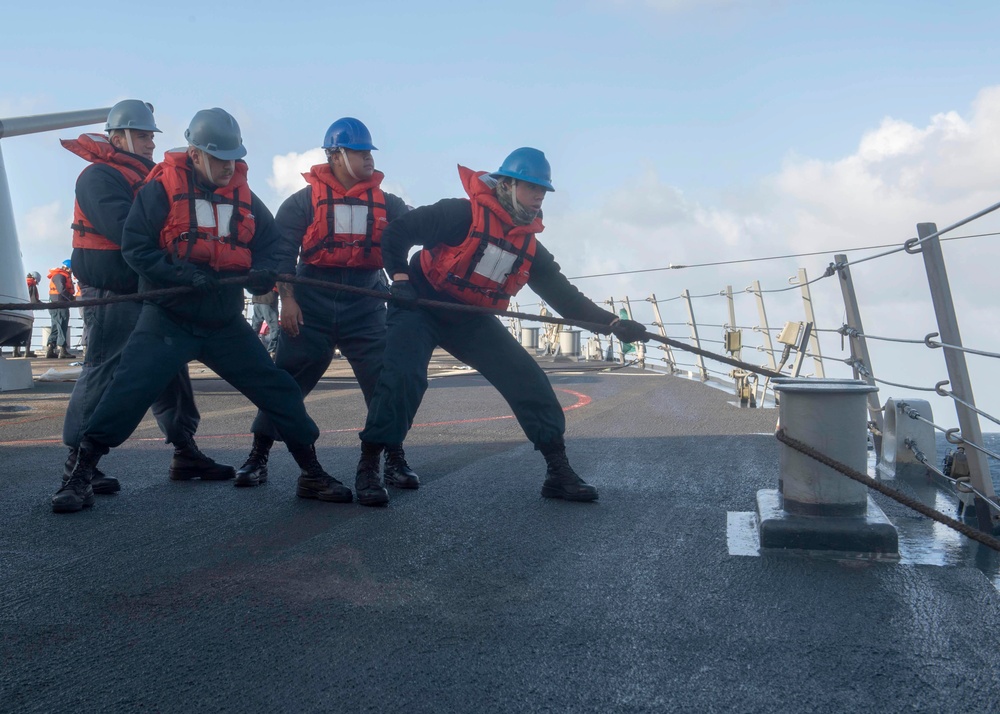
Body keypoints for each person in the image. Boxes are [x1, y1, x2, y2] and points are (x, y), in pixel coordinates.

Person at [52, 107, 351, 514]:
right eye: (220, 159)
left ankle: (311, 472)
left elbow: (269, 240)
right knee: (127, 391)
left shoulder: (242, 193)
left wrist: (263, 275)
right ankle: (81, 474)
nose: (229, 168)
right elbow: (135, 247)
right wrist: (178, 275)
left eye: (233, 158)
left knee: (278, 389)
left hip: (222, 321)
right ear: (195, 155)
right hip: (168, 317)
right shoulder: (160, 191)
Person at [354, 148, 648, 504]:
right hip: (419, 304)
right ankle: (371, 464)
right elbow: (397, 233)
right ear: (507, 185)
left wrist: (613, 324)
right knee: (403, 377)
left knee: (527, 377)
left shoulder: (529, 248)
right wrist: (399, 279)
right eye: (531, 187)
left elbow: (566, 299)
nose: (539, 195)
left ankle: (558, 471)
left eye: (544, 190)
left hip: (470, 319)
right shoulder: (458, 214)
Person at [234, 118, 416, 507]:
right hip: (312, 300)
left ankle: (394, 459)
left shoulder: (388, 203)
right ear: (335, 155)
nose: (368, 158)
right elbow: (283, 254)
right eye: (359, 151)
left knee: (385, 382)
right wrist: (289, 300)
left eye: (369, 152)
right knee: (286, 382)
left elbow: (412, 233)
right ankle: (258, 455)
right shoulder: (303, 201)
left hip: (366, 301)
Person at [57, 99, 232, 498]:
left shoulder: (148, 178)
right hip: (113, 292)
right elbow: (127, 232)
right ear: (116, 137)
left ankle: (185, 451)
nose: (150, 141)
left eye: (151, 135)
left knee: (169, 368)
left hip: (151, 288)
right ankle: (76, 464)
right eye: (141, 134)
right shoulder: (98, 177)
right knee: (106, 368)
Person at [46, 260, 76, 358]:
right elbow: (62, 290)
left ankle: (50, 349)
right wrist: (72, 298)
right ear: (67, 268)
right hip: (60, 304)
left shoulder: (58, 275)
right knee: (62, 325)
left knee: (55, 326)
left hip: (55, 304)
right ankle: (63, 350)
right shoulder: (60, 276)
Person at [13, 272, 41, 357]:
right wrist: (40, 304)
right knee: (28, 331)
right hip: (27, 311)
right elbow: (33, 301)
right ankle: (27, 351)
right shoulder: (32, 285)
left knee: (17, 331)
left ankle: (15, 351)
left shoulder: (22, 282)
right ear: (35, 279)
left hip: (17, 311)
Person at [249, 287, 280, 355]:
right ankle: (271, 351)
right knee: (274, 327)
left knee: (255, 327)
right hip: (268, 300)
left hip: (256, 299)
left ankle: (249, 346)